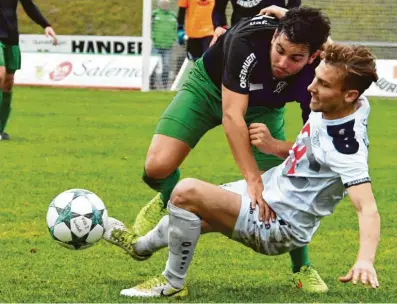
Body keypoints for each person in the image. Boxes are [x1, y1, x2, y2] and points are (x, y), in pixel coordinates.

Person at [105, 43, 381, 298]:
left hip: (279, 224)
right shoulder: (347, 104)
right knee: (190, 217)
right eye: (315, 77)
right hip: (270, 193)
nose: (311, 86)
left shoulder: (347, 148)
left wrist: (365, 260)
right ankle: (139, 247)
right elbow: (311, 149)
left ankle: (172, 283)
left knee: (185, 192)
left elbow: (366, 208)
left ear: (349, 95)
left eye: (322, 83)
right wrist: (273, 146)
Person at [132, 6, 331, 293]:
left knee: (282, 196)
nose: (283, 62)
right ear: (275, 35)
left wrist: (274, 149)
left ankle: (302, 268)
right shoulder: (247, 40)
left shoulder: (319, 72)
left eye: (296, 58)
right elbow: (232, 116)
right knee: (156, 167)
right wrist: (252, 180)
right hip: (208, 89)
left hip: (263, 109)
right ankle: (166, 196)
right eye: (279, 49)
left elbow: (313, 147)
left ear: (314, 55)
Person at [0, 0, 57, 140]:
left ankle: (0, 129)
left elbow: (28, 5)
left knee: (8, 82)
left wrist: (46, 25)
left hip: (11, 37)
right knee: (0, 74)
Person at [212, 0, 300, 35]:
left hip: (271, 32)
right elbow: (218, 9)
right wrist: (219, 26)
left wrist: (285, 19)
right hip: (240, 32)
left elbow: (295, 3)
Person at [150, 0, 177, 89]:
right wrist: (152, 37)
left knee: (166, 65)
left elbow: (176, 28)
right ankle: (151, 84)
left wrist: (173, 38)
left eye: (167, 4)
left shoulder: (173, 16)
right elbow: (148, 26)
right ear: (160, 4)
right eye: (163, 3)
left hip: (168, 46)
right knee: (153, 65)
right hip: (156, 45)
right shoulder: (154, 15)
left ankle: (165, 86)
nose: (165, 5)